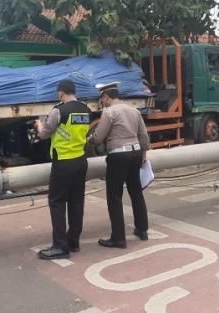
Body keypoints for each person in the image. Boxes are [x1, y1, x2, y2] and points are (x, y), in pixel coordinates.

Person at [34, 79, 92, 260]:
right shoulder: (86, 110)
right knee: (76, 202)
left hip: (63, 162)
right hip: (81, 161)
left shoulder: (58, 111)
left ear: (61, 93)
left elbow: (44, 134)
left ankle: (60, 246)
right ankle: (73, 241)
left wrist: (39, 125)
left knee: (57, 202)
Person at [89, 82, 150, 249]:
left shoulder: (109, 112)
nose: (102, 102)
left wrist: (89, 139)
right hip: (136, 153)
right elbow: (143, 136)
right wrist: (144, 154)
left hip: (118, 155)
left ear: (106, 97)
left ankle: (118, 238)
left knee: (114, 196)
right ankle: (142, 229)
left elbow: (99, 138)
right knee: (136, 191)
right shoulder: (134, 110)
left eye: (102, 98)